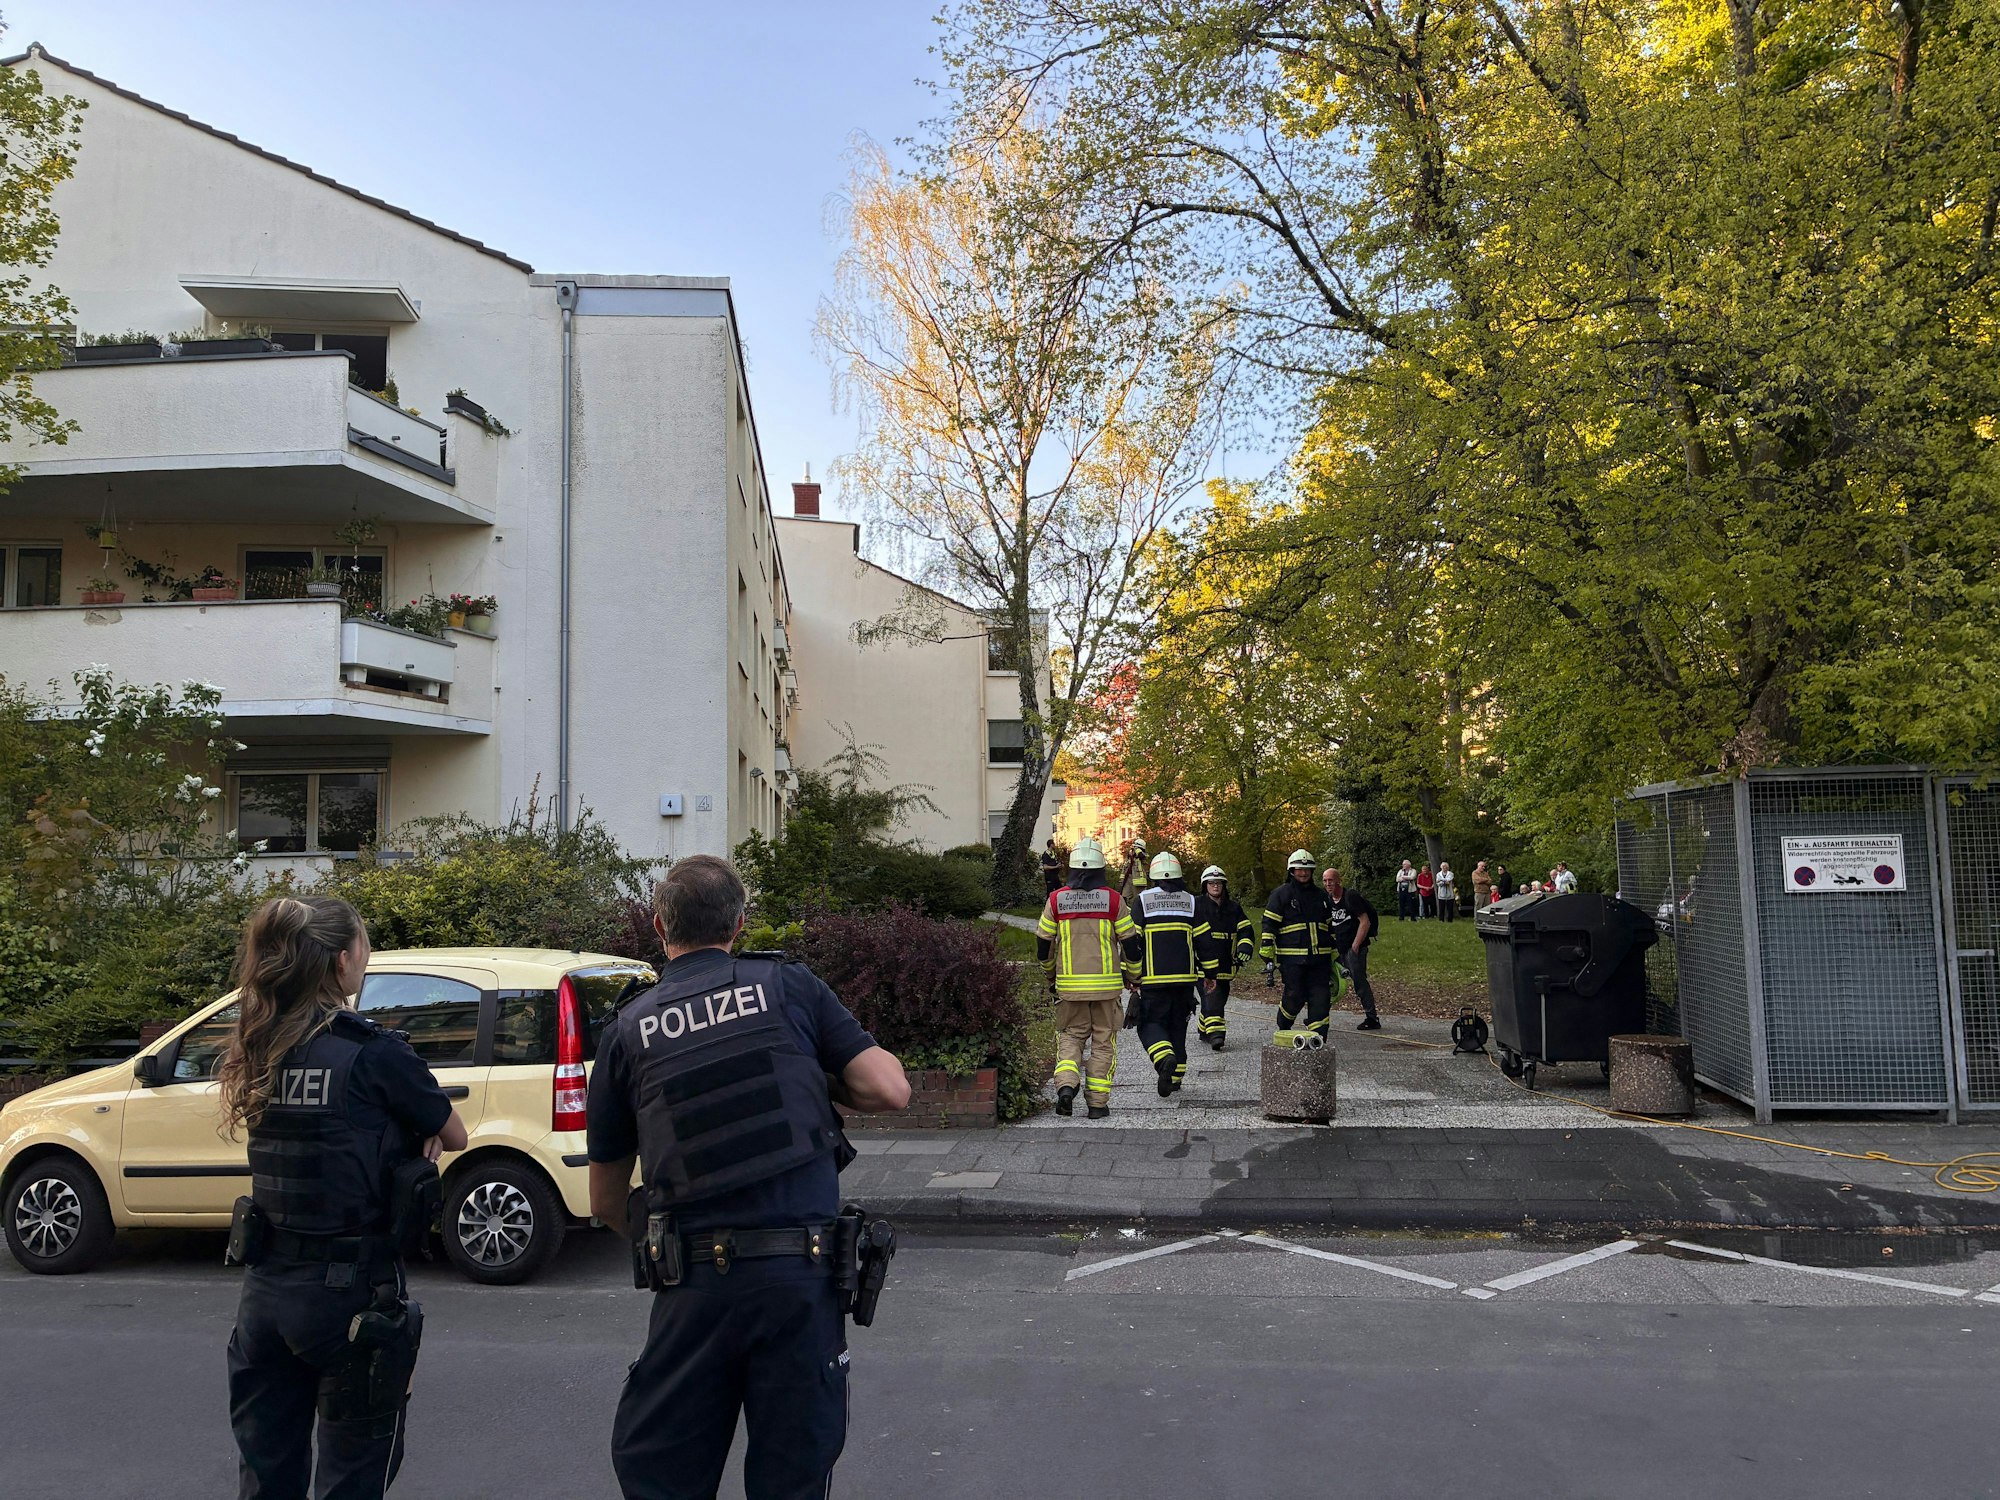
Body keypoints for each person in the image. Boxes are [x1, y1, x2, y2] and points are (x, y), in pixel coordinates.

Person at [586, 855, 912, 1500]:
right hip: (799, 1285)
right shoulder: (787, 987)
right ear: (740, 924)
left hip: (694, 1288)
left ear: (659, 925)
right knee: (792, 1477)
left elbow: (603, 1201)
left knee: (664, 1475)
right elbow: (889, 1090)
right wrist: (808, 1083)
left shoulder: (629, 1028)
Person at [218, 894, 469, 1500]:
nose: (367, 955)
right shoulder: (374, 1050)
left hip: (265, 1295)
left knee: (266, 1480)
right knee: (353, 1480)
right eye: (363, 945)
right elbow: (454, 1132)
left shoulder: (259, 1045)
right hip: (350, 1294)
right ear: (339, 962)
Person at [1036, 836, 1138, 1117]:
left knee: (1071, 1038)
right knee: (1103, 1044)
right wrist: (1134, 977)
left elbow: (1043, 945)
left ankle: (1066, 1087)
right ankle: (1097, 1104)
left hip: (1069, 990)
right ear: (1100, 869)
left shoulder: (1055, 901)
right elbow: (1131, 944)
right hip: (1106, 991)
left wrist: (1049, 976)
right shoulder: (1114, 901)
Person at [1125, 851, 1211, 1096]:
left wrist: (1129, 974)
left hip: (1154, 981)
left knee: (1150, 1024)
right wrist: (1210, 973)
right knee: (1177, 1028)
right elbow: (1205, 941)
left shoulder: (1143, 901)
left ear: (1153, 876)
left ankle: (1164, 1061)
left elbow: (1133, 941)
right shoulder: (1191, 901)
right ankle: (1175, 1078)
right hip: (1184, 982)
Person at [1261, 850, 1341, 1045]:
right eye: (1299, 869)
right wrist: (1267, 948)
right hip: (1292, 959)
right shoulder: (1281, 894)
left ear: (1312, 871)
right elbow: (1269, 923)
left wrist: (1335, 953)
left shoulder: (1321, 896)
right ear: (1291, 870)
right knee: (1294, 995)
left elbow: (1329, 927)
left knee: (1321, 998)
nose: (1303, 873)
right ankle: (1284, 1026)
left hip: (1319, 960)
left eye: (1307, 869)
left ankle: (1318, 1038)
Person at [1192, 864, 1255, 1051]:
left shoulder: (1233, 907)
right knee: (1212, 996)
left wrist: (1245, 945)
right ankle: (1216, 1035)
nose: (1215, 886)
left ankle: (1204, 1028)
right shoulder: (1197, 905)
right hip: (1202, 963)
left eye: (1219, 883)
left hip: (1227, 963)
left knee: (1219, 997)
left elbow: (1246, 928)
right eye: (1211, 883)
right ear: (1205, 885)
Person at [1321, 868, 1380, 1030]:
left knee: (1359, 982)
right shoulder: (1328, 899)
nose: (1328, 884)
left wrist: (1355, 946)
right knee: (1329, 981)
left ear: (1338, 880)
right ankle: (1320, 1017)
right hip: (1338, 948)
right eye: (1325, 881)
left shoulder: (1350, 897)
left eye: (1331, 880)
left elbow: (1365, 921)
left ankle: (1372, 1018)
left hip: (1355, 949)